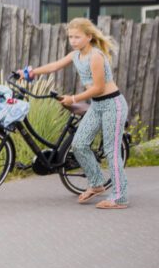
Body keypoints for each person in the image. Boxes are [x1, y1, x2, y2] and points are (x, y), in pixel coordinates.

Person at [24, 17, 129, 209]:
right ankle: (97, 183)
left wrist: (73, 99)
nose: (73, 41)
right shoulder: (75, 55)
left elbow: (98, 88)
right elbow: (55, 66)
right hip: (97, 106)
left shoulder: (95, 56)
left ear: (89, 37)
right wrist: (33, 72)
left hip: (113, 104)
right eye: (70, 37)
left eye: (77, 37)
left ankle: (119, 197)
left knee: (111, 151)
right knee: (79, 144)